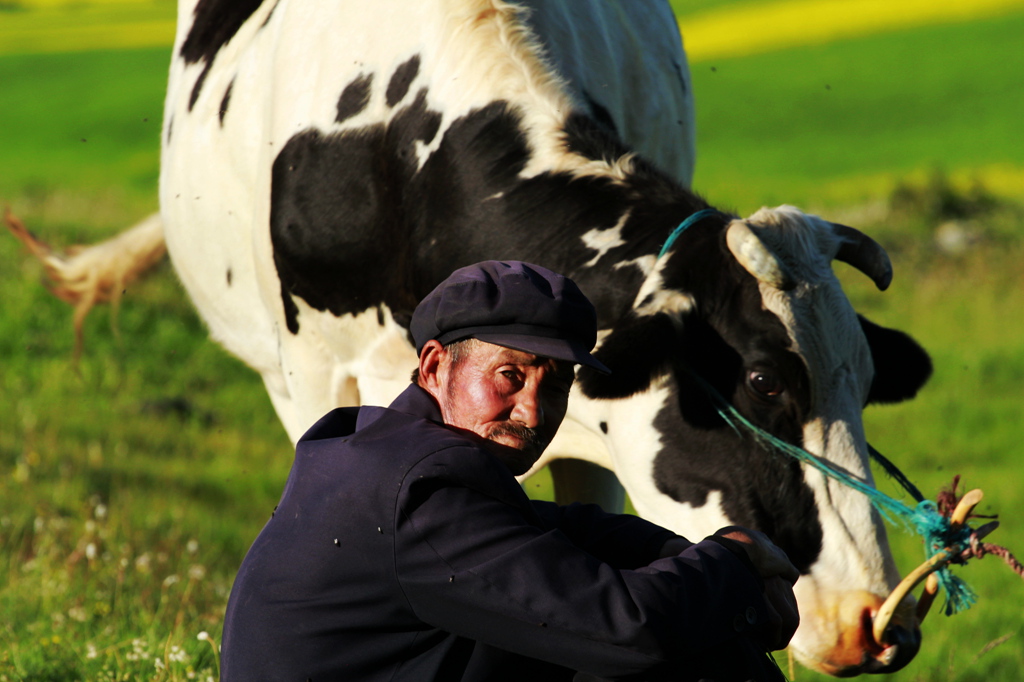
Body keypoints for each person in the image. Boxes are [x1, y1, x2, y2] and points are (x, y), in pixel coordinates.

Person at [220, 260, 799, 681]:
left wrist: (699, 551)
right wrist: (733, 568)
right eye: (510, 375)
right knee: (668, 653)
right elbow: (628, 628)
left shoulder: (379, 452)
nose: (533, 412)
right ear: (433, 365)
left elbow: (561, 532)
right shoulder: (426, 491)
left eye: (557, 386)